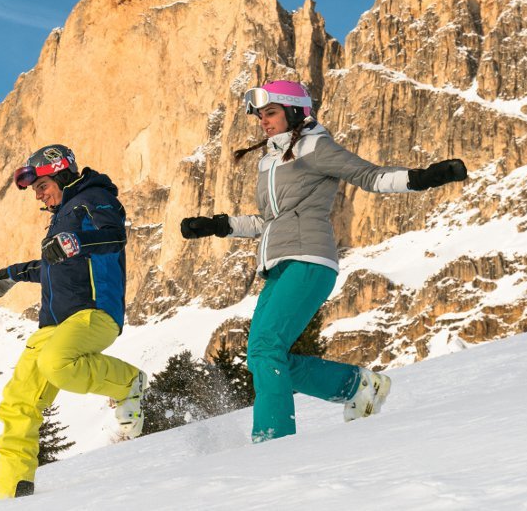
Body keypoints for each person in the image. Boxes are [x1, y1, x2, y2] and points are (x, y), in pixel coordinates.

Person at [180, 81, 467, 443]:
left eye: (271, 113)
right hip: (279, 264)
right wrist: (219, 226)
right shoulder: (270, 160)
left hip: (309, 260)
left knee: (267, 347)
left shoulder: (315, 147)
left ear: (295, 112)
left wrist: (422, 178)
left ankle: (274, 441)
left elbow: (370, 176)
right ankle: (356, 386)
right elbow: (269, 221)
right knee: (262, 356)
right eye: (260, 116)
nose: (263, 122)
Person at [0, 144, 147, 499]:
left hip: (93, 312)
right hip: (53, 325)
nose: (39, 196)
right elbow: (53, 265)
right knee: (18, 402)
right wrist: (12, 274)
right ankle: (10, 493)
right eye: (35, 192)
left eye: (42, 187)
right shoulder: (60, 219)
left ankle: (127, 383)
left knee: (56, 362)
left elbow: (114, 236)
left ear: (59, 172)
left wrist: (76, 240)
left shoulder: (95, 196)